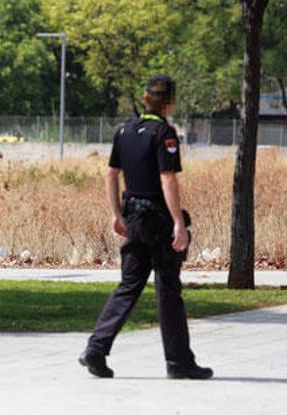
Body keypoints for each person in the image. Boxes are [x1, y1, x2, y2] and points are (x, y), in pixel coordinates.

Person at [78, 75, 212, 380]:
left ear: (144, 97)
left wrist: (116, 214)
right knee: (168, 290)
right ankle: (179, 363)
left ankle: (96, 349)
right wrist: (178, 223)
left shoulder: (124, 131)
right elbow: (167, 179)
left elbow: (111, 175)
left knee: (129, 285)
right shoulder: (164, 133)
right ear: (170, 102)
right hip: (158, 222)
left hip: (134, 219)